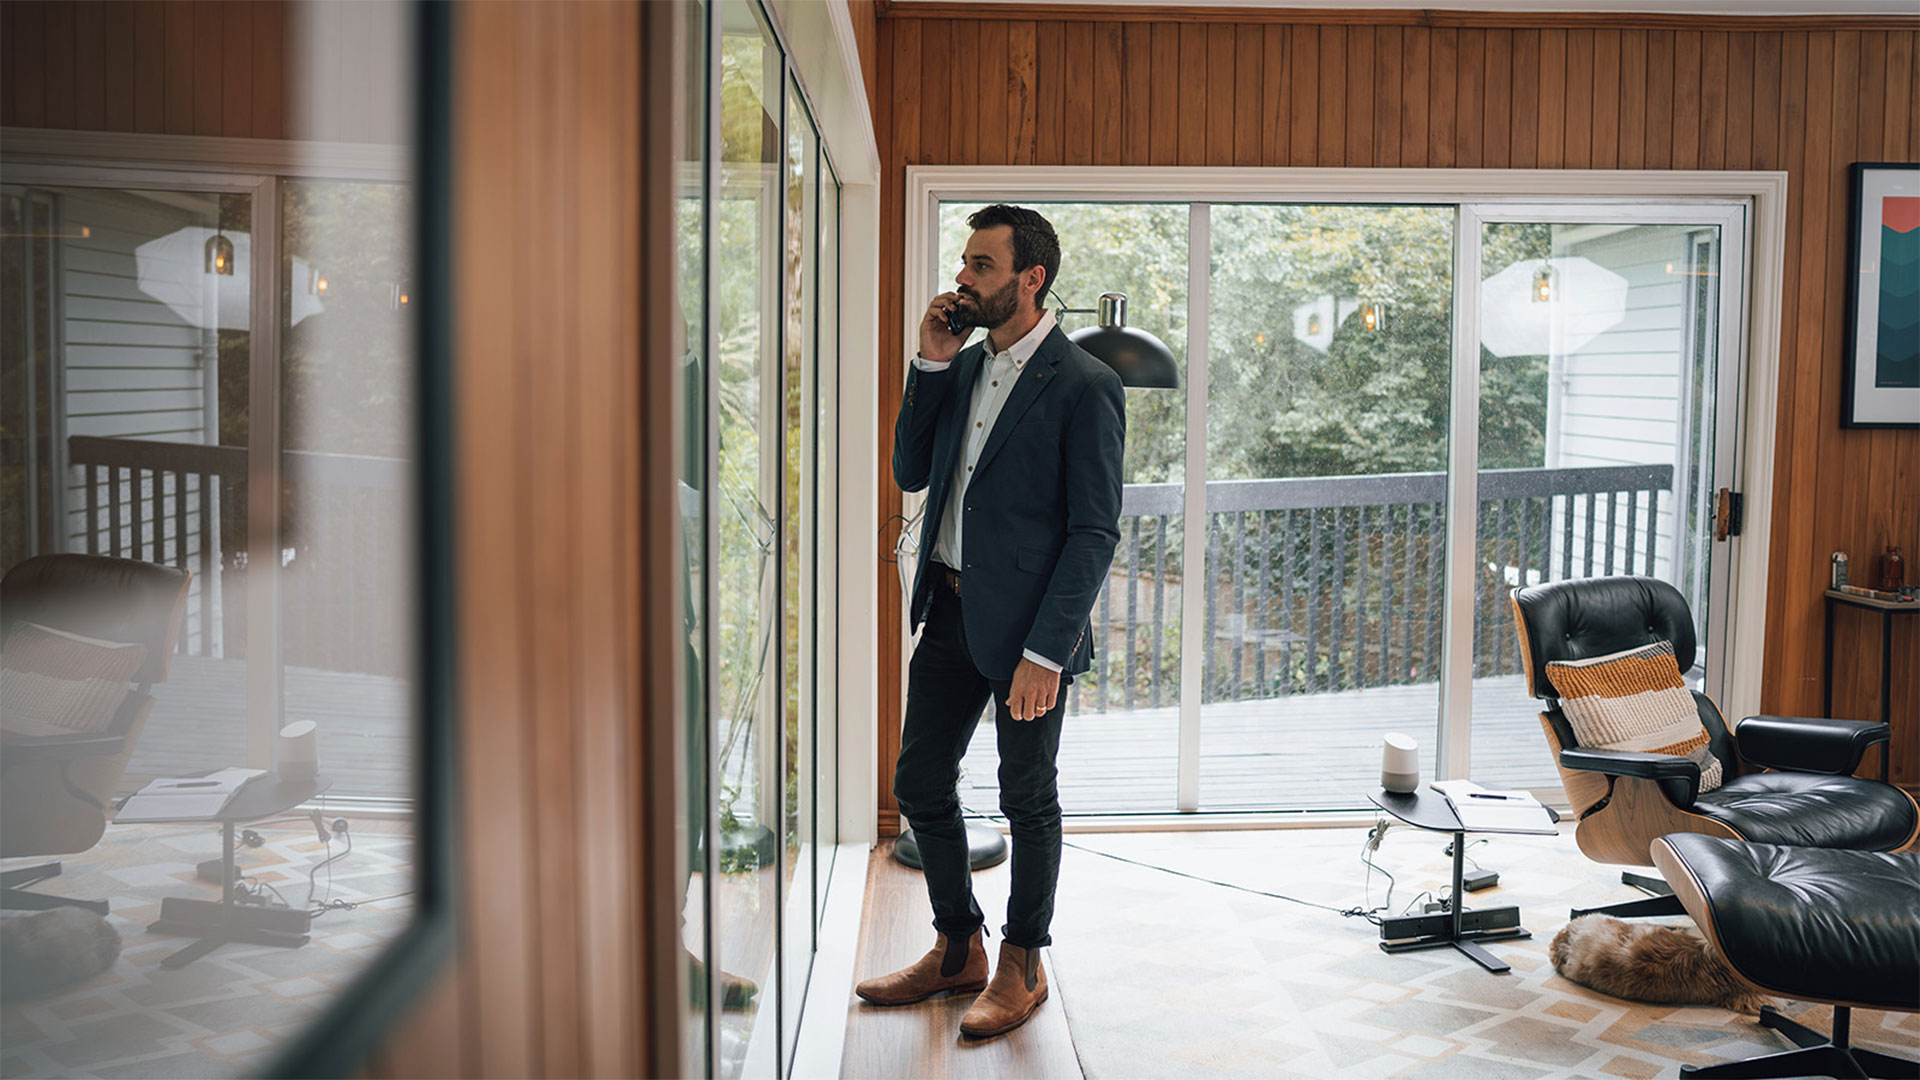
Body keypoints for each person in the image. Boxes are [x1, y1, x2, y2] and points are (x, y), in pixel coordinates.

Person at [855, 205, 1125, 1038]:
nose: (963, 277)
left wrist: (1048, 652)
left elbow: (1094, 531)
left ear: (1029, 278)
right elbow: (908, 469)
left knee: (1026, 798)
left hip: (1029, 637)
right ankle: (956, 947)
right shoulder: (963, 368)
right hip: (948, 610)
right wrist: (930, 366)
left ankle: (1022, 962)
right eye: (965, 262)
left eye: (980, 264)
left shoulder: (1085, 385)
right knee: (920, 784)